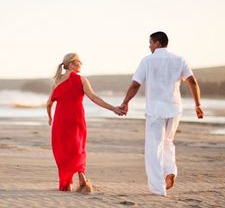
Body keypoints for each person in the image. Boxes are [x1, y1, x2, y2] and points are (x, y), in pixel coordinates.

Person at [120, 31, 204, 196]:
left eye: (150, 42)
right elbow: (193, 82)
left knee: (154, 147)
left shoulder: (147, 61)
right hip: (174, 109)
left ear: (157, 43)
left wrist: (125, 102)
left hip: (155, 110)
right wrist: (198, 105)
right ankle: (170, 171)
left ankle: (158, 189)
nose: (149, 46)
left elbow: (135, 85)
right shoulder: (180, 59)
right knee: (168, 142)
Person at [47, 53, 124, 193]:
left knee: (63, 151)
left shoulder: (57, 82)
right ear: (71, 64)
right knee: (77, 148)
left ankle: (66, 184)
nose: (81, 64)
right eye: (79, 62)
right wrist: (113, 109)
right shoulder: (81, 80)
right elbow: (94, 98)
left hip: (60, 122)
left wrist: (50, 118)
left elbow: (49, 103)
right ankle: (81, 174)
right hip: (76, 119)